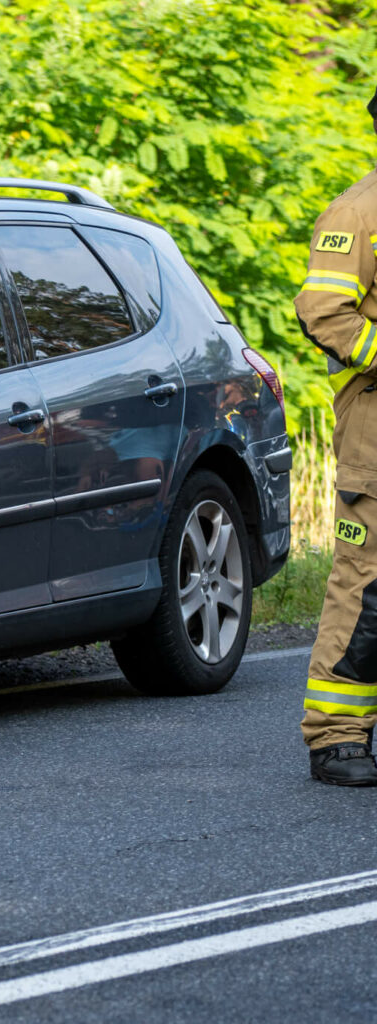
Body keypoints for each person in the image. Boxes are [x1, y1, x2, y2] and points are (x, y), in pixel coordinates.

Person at [295, 87, 377, 785]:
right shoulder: (356, 213)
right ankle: (337, 736)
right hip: (376, 434)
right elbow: (324, 312)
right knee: (367, 581)